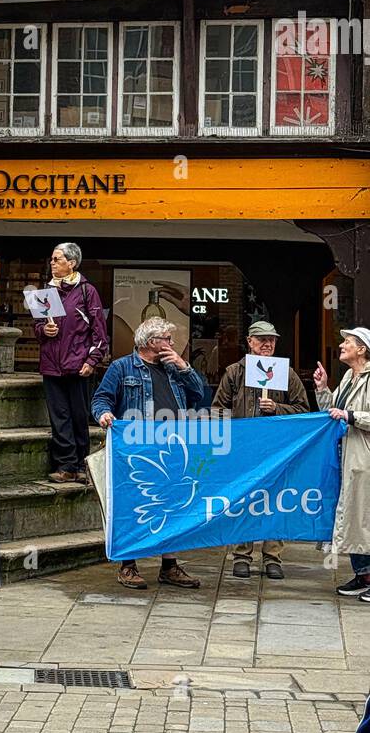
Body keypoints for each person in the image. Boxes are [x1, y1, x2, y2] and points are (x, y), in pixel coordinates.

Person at [91, 316, 205, 591]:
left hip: (173, 448)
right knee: (132, 505)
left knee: (173, 506)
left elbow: (201, 396)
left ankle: (169, 566)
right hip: (135, 450)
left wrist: (184, 367)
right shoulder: (122, 367)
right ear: (151, 342)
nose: (172, 343)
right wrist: (104, 414)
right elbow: (100, 398)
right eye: (167, 339)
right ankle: (128, 566)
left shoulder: (174, 369)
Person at [213, 319, 309, 581]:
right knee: (244, 501)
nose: (267, 344)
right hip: (244, 451)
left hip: (278, 452)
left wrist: (278, 409)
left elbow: (303, 410)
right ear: (250, 342)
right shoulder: (235, 372)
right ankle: (242, 554)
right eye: (262, 339)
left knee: (276, 502)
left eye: (272, 340)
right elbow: (218, 410)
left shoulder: (286, 374)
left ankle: (273, 556)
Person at [34, 242, 108, 484]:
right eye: (52, 259)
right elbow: (36, 328)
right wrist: (45, 329)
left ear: (72, 263)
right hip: (51, 364)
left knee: (78, 416)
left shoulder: (88, 291)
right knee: (59, 417)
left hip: (77, 365)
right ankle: (66, 466)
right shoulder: (45, 291)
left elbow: (99, 332)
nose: (52, 263)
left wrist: (92, 360)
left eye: (57, 259)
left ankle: (81, 465)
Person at [315, 328, 370, 601]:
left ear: (362, 349)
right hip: (349, 455)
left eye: (347, 342)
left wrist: (351, 415)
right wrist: (323, 389)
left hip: (364, 456)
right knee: (354, 518)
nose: (341, 345)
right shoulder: (350, 376)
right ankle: (363, 574)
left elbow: (350, 414)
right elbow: (334, 411)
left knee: (364, 517)